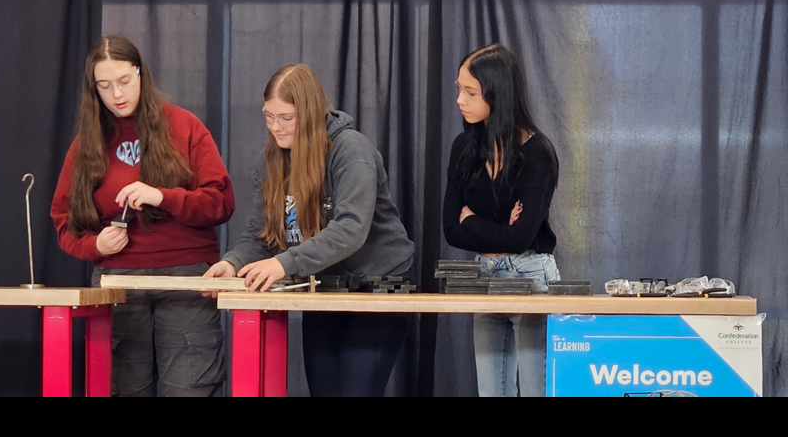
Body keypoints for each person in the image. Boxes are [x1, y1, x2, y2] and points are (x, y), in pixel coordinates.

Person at [203, 64, 414, 397]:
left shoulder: (351, 151)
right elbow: (263, 232)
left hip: (377, 289)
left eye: (286, 118)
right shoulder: (272, 160)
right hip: (325, 288)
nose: (276, 127)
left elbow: (351, 229)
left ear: (311, 111)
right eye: (268, 117)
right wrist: (232, 262)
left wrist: (284, 263)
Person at [50, 34, 235, 397]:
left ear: (140, 74)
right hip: (118, 285)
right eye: (105, 86)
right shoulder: (87, 144)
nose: (117, 94)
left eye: (124, 81)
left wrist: (163, 197)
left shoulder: (183, 126)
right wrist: (95, 244)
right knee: (123, 388)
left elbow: (221, 203)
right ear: (94, 90)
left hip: (186, 282)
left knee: (191, 388)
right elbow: (63, 220)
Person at [442, 43, 561, 397]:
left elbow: (519, 239)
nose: (460, 100)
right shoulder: (464, 147)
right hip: (485, 279)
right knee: (492, 393)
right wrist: (494, 229)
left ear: (498, 94)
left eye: (470, 92)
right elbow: (450, 229)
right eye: (459, 89)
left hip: (533, 279)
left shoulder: (536, 152)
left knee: (538, 392)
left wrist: (472, 220)